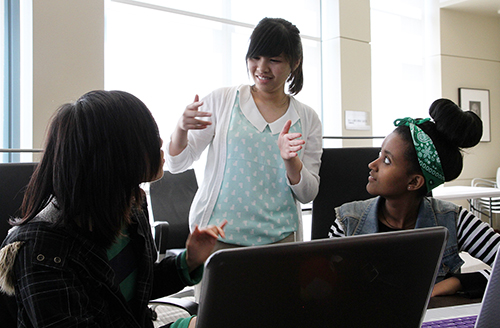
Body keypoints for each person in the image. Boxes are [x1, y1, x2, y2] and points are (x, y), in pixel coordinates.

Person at [0, 90, 226, 328]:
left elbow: (132, 289)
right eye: (150, 135)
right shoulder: (42, 250)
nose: (159, 142)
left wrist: (189, 261)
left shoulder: (130, 207)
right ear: (113, 155)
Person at [167, 17, 322, 249]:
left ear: (295, 63)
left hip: (280, 240)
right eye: (255, 57)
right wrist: (181, 128)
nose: (261, 68)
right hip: (216, 236)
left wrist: (291, 162)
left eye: (274, 60)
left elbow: (308, 194)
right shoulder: (222, 101)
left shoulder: (307, 118)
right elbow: (176, 164)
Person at [329, 98, 500, 298]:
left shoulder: (454, 220)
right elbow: (328, 291)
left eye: (386, 160)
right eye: (379, 153)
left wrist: (457, 282)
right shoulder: (347, 222)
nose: (372, 165)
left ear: (414, 182)